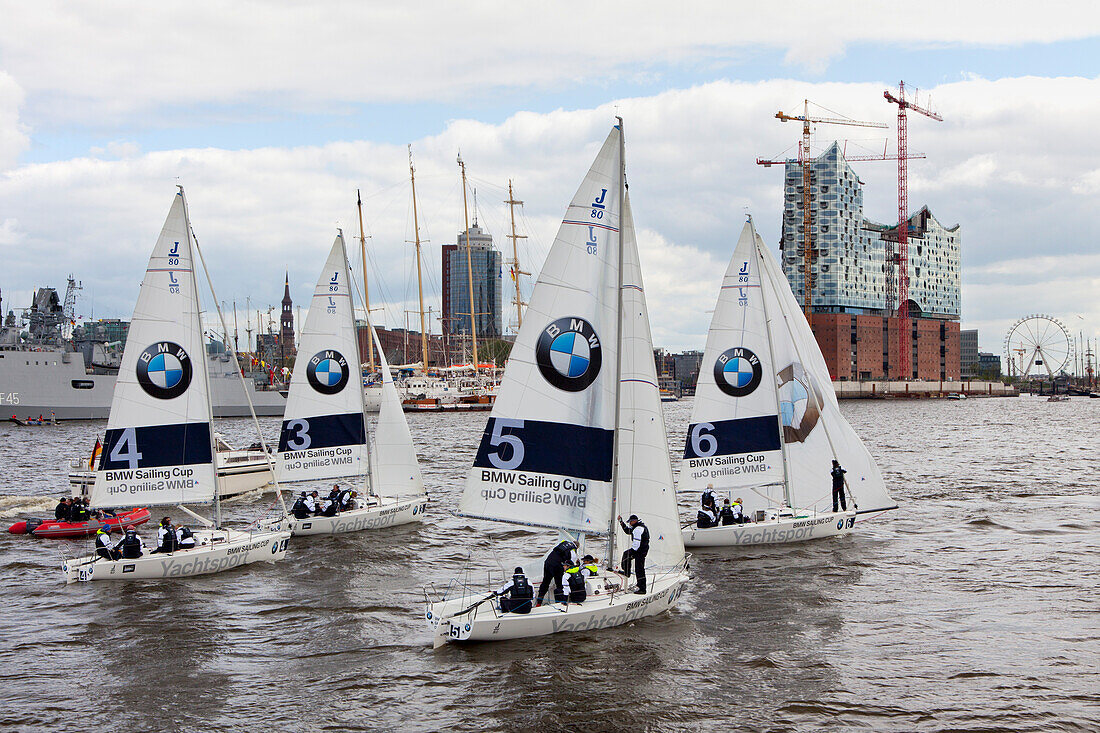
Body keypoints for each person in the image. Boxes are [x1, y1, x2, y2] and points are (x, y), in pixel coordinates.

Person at [536, 539, 578, 606]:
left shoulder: (563, 544)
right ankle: (560, 602)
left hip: (548, 562)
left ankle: (539, 602)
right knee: (559, 584)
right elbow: (570, 565)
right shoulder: (572, 552)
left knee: (545, 582)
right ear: (577, 547)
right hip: (558, 566)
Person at [618, 514, 650, 594]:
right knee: (627, 556)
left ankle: (642, 589)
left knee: (639, 569)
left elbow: (637, 543)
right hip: (642, 549)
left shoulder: (638, 529)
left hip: (640, 550)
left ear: (634, 521)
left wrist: (633, 551)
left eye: (630, 522)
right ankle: (627, 572)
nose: (629, 523)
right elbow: (627, 531)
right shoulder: (637, 527)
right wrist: (621, 522)